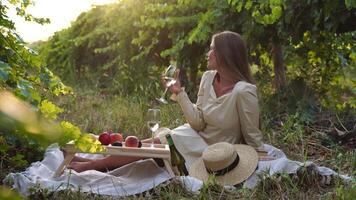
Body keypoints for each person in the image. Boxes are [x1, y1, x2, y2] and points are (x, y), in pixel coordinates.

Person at [68, 30, 264, 173]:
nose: (207, 53)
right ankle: (95, 162)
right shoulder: (209, 77)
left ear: (225, 54)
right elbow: (198, 122)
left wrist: (256, 160)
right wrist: (179, 94)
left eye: (212, 49)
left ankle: (92, 165)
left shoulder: (243, 91)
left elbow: (252, 137)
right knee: (149, 143)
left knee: (153, 146)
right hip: (194, 135)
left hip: (215, 151)